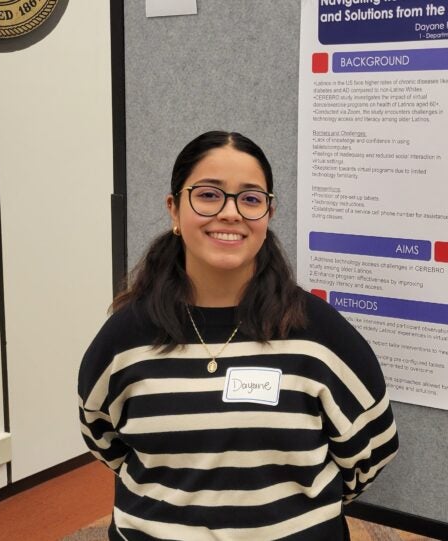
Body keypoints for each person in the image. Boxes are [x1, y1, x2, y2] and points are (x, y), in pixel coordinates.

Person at [78, 131, 398, 540]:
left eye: (250, 199)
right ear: (174, 210)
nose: (231, 213)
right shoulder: (126, 337)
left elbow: (373, 450)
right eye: (209, 195)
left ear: (268, 213)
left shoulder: (318, 334)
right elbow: (102, 437)